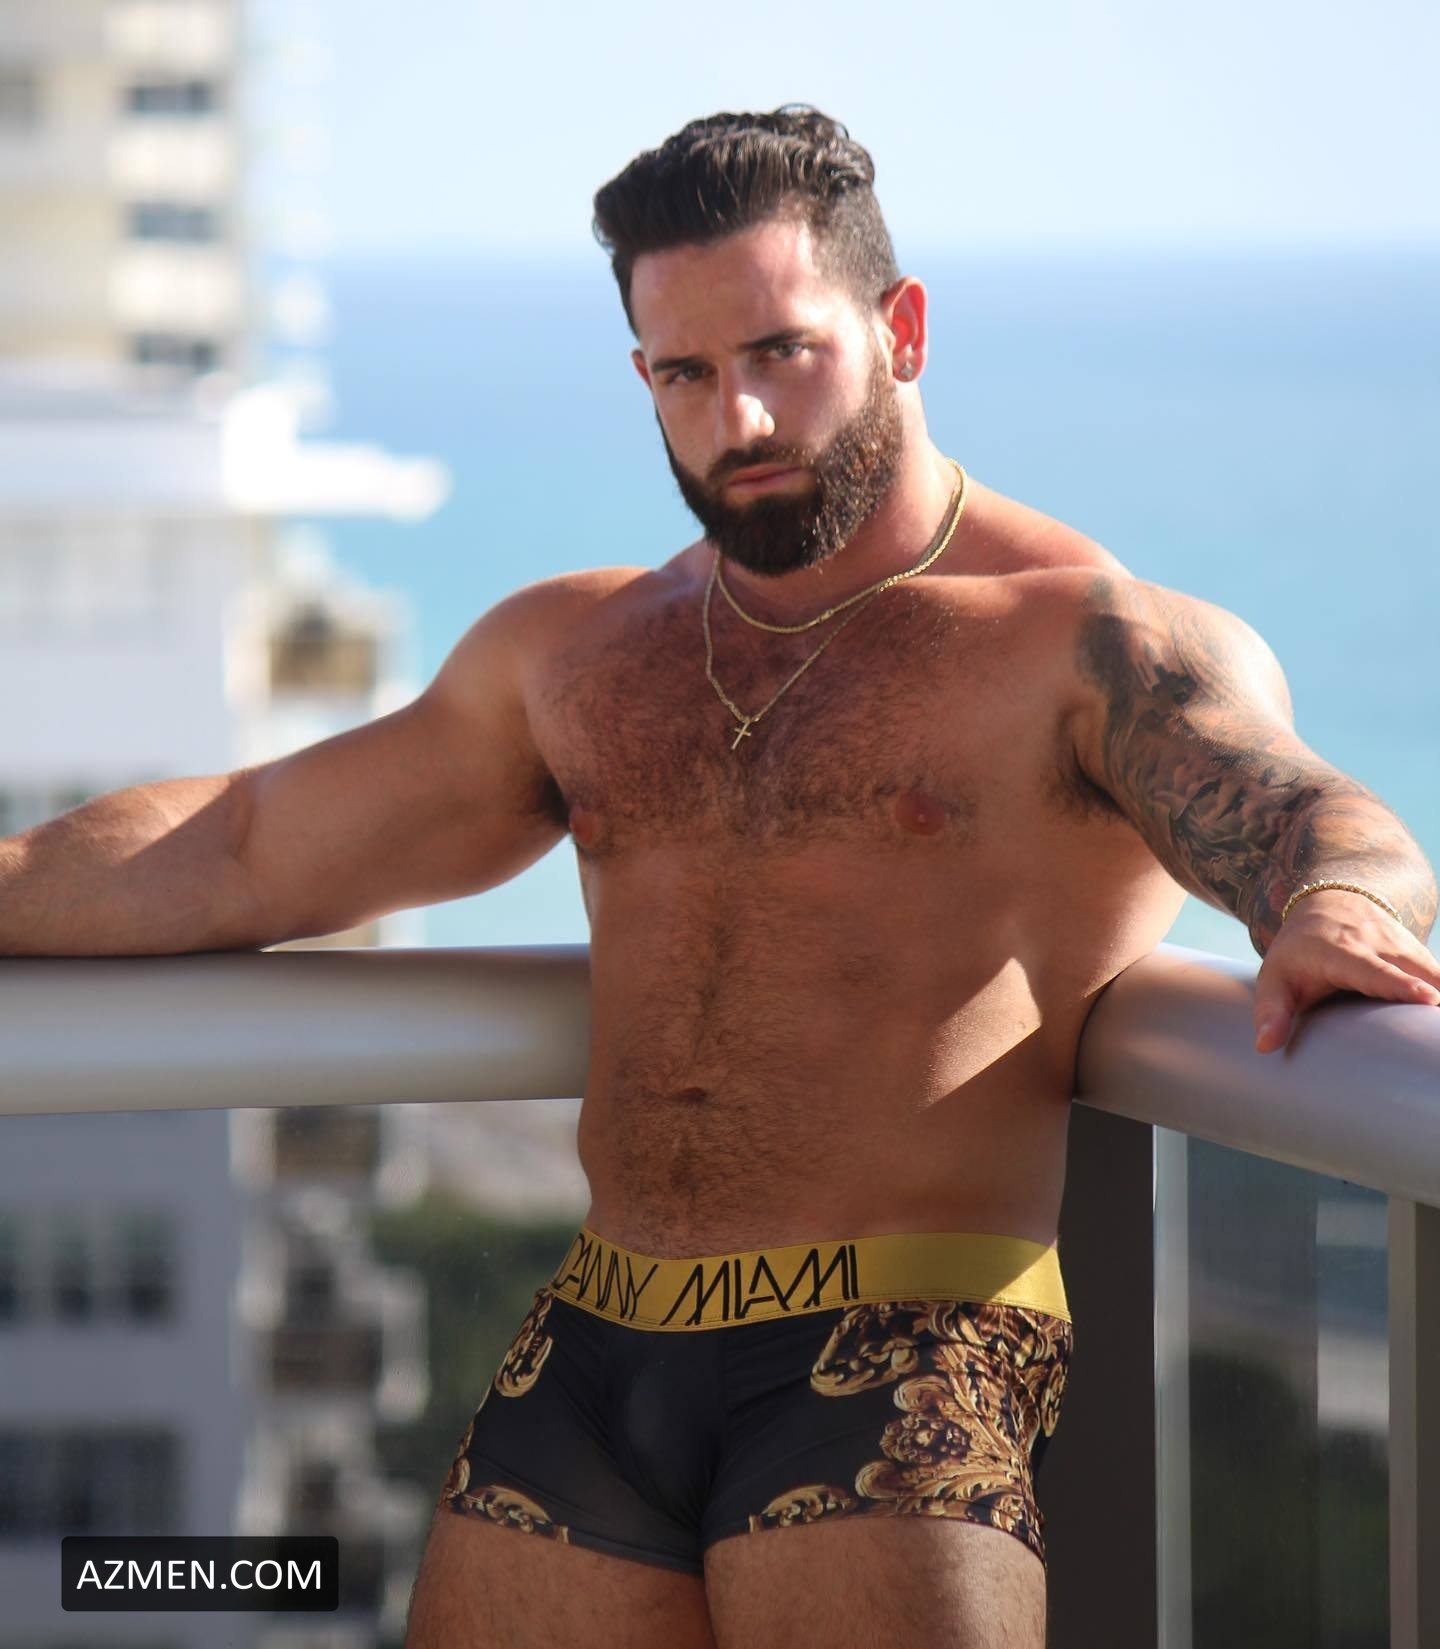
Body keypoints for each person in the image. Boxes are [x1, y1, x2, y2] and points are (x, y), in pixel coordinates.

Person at [4, 106, 1436, 1648]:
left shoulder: (1078, 640)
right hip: (596, 1342)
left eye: (781, 352)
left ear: (901, 329)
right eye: (684, 373)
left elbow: (1305, 811)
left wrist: (1335, 908)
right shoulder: (584, 654)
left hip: (899, 1344)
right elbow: (241, 844)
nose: (737, 416)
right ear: (643, 376)